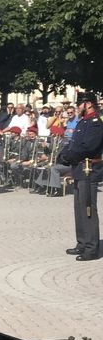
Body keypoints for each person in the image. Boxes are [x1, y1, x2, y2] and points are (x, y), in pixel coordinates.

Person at [59, 91, 103, 261]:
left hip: (89, 169)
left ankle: (92, 248)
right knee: (79, 209)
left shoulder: (96, 122)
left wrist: (71, 155)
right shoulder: (82, 122)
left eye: (79, 104)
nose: (77, 108)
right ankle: (82, 243)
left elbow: (89, 146)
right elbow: (73, 142)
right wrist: (63, 153)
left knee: (88, 208)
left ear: (88, 104)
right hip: (79, 169)